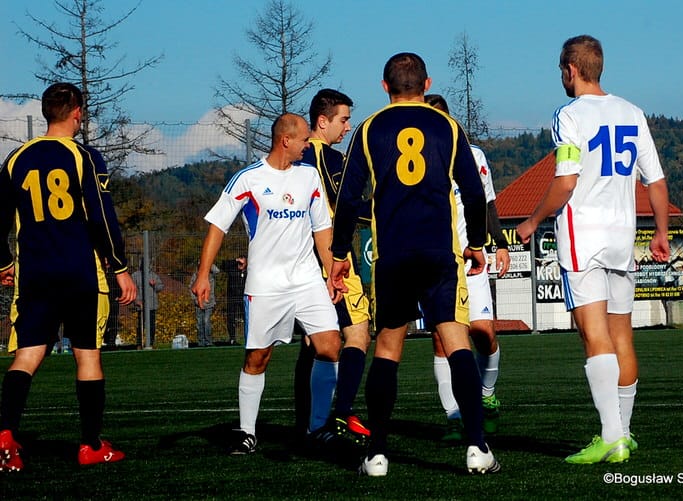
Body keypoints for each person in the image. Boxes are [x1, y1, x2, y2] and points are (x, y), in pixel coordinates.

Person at [331, 52, 500, 476]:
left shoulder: (369, 129)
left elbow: (349, 198)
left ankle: (377, 455)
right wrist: (478, 242)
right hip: (440, 251)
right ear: (427, 84)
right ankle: (477, 447)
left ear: (384, 87)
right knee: (455, 339)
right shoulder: (447, 125)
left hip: (392, 254)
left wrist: (338, 255)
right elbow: (474, 192)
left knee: (388, 347)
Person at [516, 35, 670, 464]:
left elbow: (566, 181)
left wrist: (531, 221)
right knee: (622, 333)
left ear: (570, 70)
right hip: (623, 236)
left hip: (583, 236)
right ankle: (623, 432)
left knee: (593, 334)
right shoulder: (632, 112)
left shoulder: (569, 115)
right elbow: (655, 181)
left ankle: (610, 436)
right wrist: (660, 232)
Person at [0, 82, 136, 471]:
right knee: (87, 355)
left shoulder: (15, 159)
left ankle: (5, 433)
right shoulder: (84, 157)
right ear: (77, 111)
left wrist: (4, 264)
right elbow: (101, 218)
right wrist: (120, 268)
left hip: (36, 275)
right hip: (80, 273)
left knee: (28, 354)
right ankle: (90, 445)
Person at [192, 113, 342, 455]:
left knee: (331, 345)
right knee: (258, 357)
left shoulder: (310, 177)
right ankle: (247, 432)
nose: (309, 145)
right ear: (285, 140)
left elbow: (322, 230)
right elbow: (218, 226)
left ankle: (318, 427)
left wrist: (331, 270)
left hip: (306, 280)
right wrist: (203, 274)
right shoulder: (248, 179)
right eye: (305, 139)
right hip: (266, 284)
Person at [423, 94, 510, 441]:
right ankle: (454, 415)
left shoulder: (473, 156)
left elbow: (487, 202)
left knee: (483, 331)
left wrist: (499, 243)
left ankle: (486, 396)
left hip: (471, 259)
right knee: (442, 339)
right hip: (434, 260)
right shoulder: (413, 162)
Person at [293, 88, 371, 444]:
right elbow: (348, 206)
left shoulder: (291, 157)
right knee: (358, 333)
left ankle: (308, 422)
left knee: (315, 341)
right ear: (322, 122)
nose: (348, 126)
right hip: (334, 260)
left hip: (299, 261)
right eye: (343, 119)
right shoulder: (328, 158)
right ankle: (342, 413)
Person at [190, 261, 220, 347]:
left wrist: (208, 263)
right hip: (198, 303)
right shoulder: (195, 276)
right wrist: (195, 300)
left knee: (207, 322)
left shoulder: (211, 274)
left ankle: (208, 341)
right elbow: (191, 288)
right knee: (199, 323)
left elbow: (217, 271)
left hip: (209, 303)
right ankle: (201, 342)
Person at [133, 267, 164, 348]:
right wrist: (137, 301)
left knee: (152, 326)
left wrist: (155, 285)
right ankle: (139, 344)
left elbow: (160, 287)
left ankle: (151, 343)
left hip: (152, 305)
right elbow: (133, 289)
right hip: (141, 306)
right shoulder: (136, 275)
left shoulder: (153, 275)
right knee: (141, 326)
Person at [223, 256, 247, 345]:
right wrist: (235, 260)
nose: (241, 265)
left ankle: (247, 336)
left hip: (243, 297)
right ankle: (232, 338)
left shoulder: (248, 272)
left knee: (246, 317)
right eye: (240, 263)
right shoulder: (232, 270)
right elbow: (223, 265)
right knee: (231, 318)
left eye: (243, 263)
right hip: (232, 297)